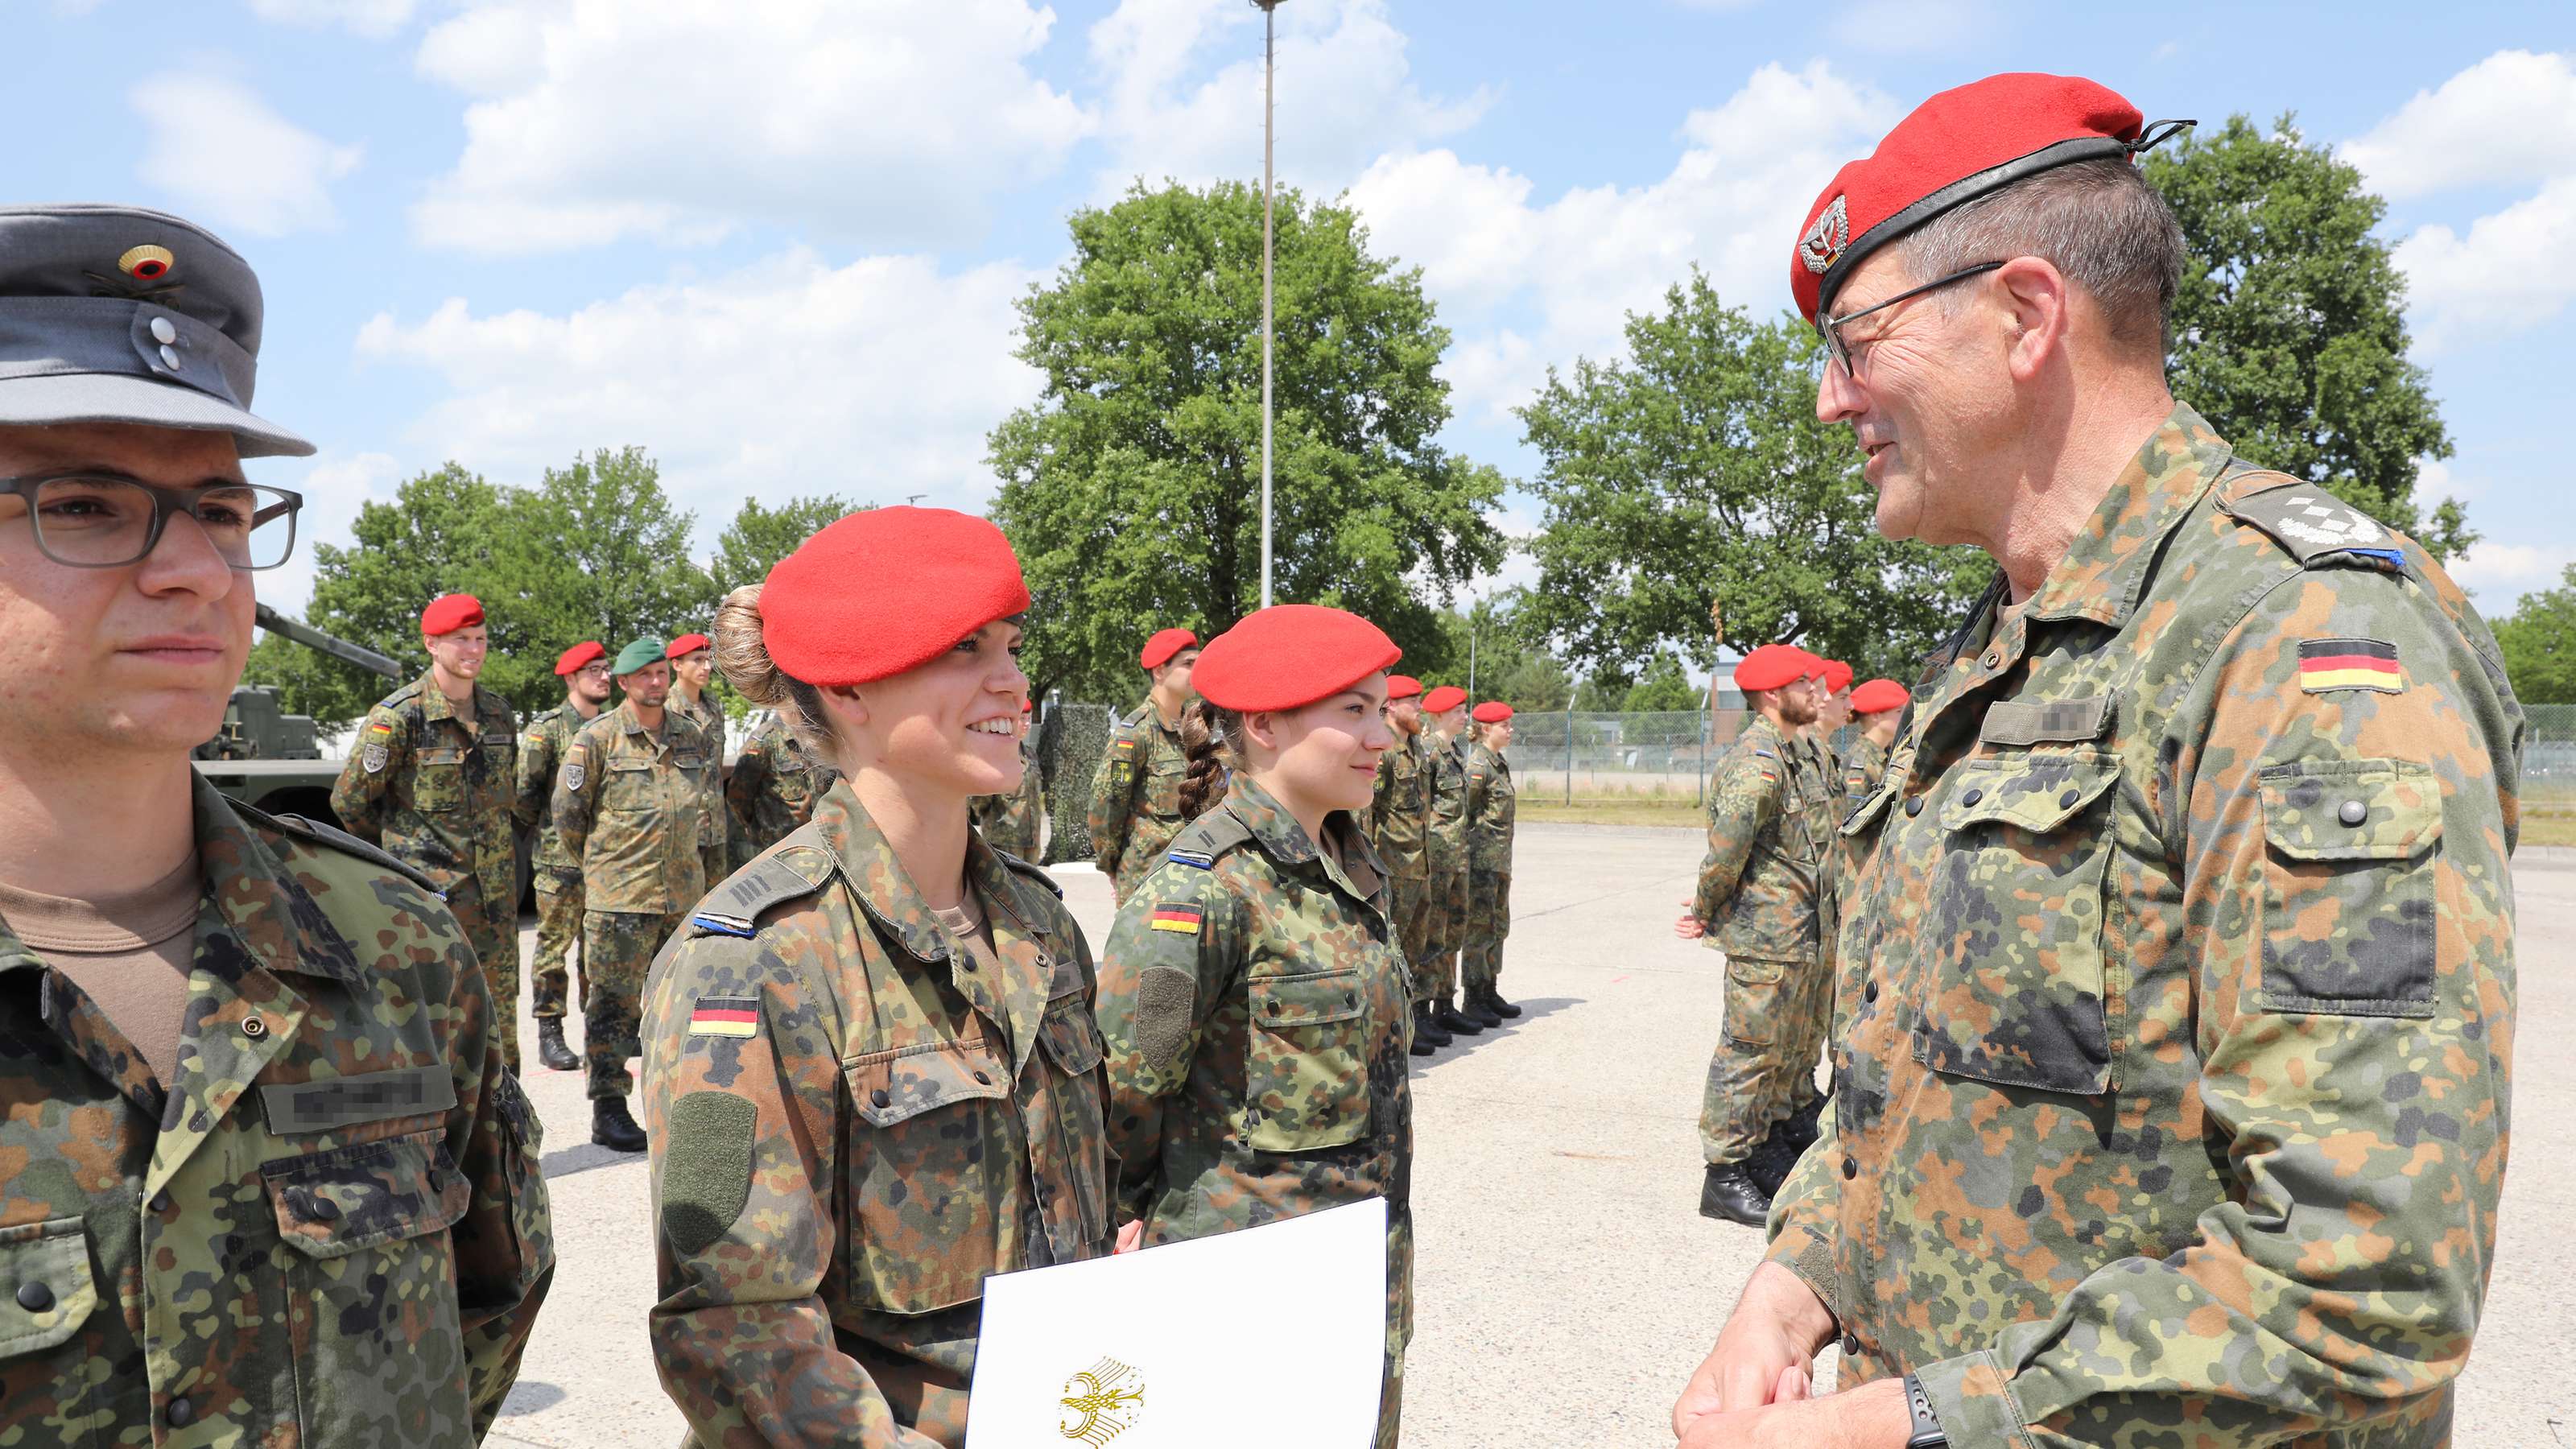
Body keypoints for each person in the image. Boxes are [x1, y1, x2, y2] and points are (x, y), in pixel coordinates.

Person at [1675, 73, 2523, 1448]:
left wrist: (1918, 1424)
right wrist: (1795, 1281)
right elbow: (1910, 1077)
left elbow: (2367, 1287)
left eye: (1857, 341)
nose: (1835, 402)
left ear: (2024, 316)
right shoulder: (1997, 647)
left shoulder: (2307, 636)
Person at [0, 202, 550, 1443]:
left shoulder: (395, 948)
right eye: (87, 505)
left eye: (223, 510)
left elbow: (483, 1308)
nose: (195, 567)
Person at [642, 508, 1114, 1447]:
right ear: (849, 688)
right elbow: (733, 1327)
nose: (1012, 680)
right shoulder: (744, 961)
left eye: (1012, 647)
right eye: (964, 648)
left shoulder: (1036, 918)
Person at [1093, 604, 1415, 1449]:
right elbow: (1124, 1090)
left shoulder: (1349, 865)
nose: (1381, 735)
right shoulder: (1201, 890)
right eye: (1352, 711)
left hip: (1357, 1278)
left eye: (1381, 710)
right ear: (1264, 725)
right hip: (1243, 1284)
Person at [331, 591, 530, 1070]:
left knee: (499, 1032)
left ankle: (507, 1138)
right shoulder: (399, 718)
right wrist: (403, 864)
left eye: (480, 638)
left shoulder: (500, 715)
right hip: (429, 909)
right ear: (431, 645)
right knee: (429, 1033)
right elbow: (350, 802)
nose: (474, 649)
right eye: (461, 639)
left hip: (495, 907)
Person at [1674, 643, 1824, 1227]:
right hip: (1765, 938)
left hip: (1796, 936)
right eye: (1803, 683)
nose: (1815, 691)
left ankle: (1763, 1147)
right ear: (1771, 695)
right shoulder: (1758, 761)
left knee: (1782, 1052)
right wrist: (1706, 909)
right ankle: (1724, 1173)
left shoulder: (1792, 754)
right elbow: (1725, 851)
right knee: (1748, 1055)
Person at [554, 637, 715, 1150]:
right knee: (612, 1007)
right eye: (643, 675)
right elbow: (568, 816)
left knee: (682, 1004)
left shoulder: (691, 736)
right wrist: (606, 870)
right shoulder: (596, 739)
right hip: (620, 899)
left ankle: (680, 1102)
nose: (656, 682)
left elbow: (704, 814)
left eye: (661, 673)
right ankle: (609, 1109)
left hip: (681, 898)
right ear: (623, 683)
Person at [516, 638, 612, 1073]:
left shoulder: (615, 726)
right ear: (572, 677)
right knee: (554, 947)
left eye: (606, 668)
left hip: (605, 859)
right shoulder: (548, 729)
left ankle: (601, 1031)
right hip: (559, 862)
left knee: (600, 950)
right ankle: (550, 1033)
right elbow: (523, 797)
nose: (604, 676)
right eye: (594, 670)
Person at [1086, 625, 1199, 901]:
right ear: (1160, 671)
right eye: (1188, 664)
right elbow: (1106, 806)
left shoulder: (1194, 731)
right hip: (1147, 880)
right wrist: (1113, 866)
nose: (1197, 671)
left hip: (1192, 875)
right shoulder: (1135, 733)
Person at [1368, 675, 1440, 1055]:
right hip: (1394, 866)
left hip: (1420, 863)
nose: (1420, 708)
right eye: (1414, 702)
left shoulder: (1416, 749)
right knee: (1393, 954)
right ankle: (1394, 1030)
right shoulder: (1387, 752)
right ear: (1392, 706)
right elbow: (1369, 813)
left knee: (1417, 947)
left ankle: (1417, 1020)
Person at [1418, 683, 1489, 1037]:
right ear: (1440, 715)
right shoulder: (1428, 753)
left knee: (1454, 931)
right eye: (1459, 711)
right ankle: (1421, 1008)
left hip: (1458, 857)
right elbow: (1422, 808)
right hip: (1437, 857)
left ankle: (1445, 1004)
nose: (1465, 716)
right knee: (1433, 932)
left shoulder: (1457, 753)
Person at [1459, 701, 1522, 1022]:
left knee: (1498, 926)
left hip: (1499, 860)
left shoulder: (1497, 763)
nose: (1510, 731)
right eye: (1505, 726)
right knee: (1479, 930)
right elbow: (1465, 814)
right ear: (1486, 729)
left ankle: (1489, 990)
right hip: (1482, 861)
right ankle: (1473, 998)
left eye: (1510, 726)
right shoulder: (1478, 767)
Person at [725, 706, 838, 869]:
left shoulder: (817, 734)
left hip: (817, 843)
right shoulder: (764, 740)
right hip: (778, 848)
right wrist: (762, 829)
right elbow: (738, 798)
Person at [667, 631, 730, 890]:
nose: (707, 667)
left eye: (708, 659)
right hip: (681, 832)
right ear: (677, 665)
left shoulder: (714, 707)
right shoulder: (664, 709)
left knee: (716, 903)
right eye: (697, 660)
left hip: (715, 827)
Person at [968, 698, 1043, 859]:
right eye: (1022, 719)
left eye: (1029, 719)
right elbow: (980, 801)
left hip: (1031, 841)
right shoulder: (995, 755)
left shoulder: (1030, 754)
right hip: (1004, 841)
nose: (1027, 724)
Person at [1840, 677, 1908, 802]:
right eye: (1899, 711)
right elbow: (1853, 817)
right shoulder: (1860, 764)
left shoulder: (1887, 754)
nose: (1905, 718)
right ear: (1876, 716)